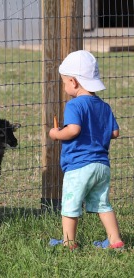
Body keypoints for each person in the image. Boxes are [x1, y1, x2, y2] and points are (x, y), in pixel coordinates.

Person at [48, 50, 124, 250]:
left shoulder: (74, 105)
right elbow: (115, 132)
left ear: (73, 82)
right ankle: (115, 240)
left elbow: (74, 130)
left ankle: (69, 242)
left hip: (79, 167)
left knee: (70, 205)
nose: (65, 86)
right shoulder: (104, 106)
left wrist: (56, 133)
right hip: (102, 166)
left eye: (64, 82)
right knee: (103, 204)